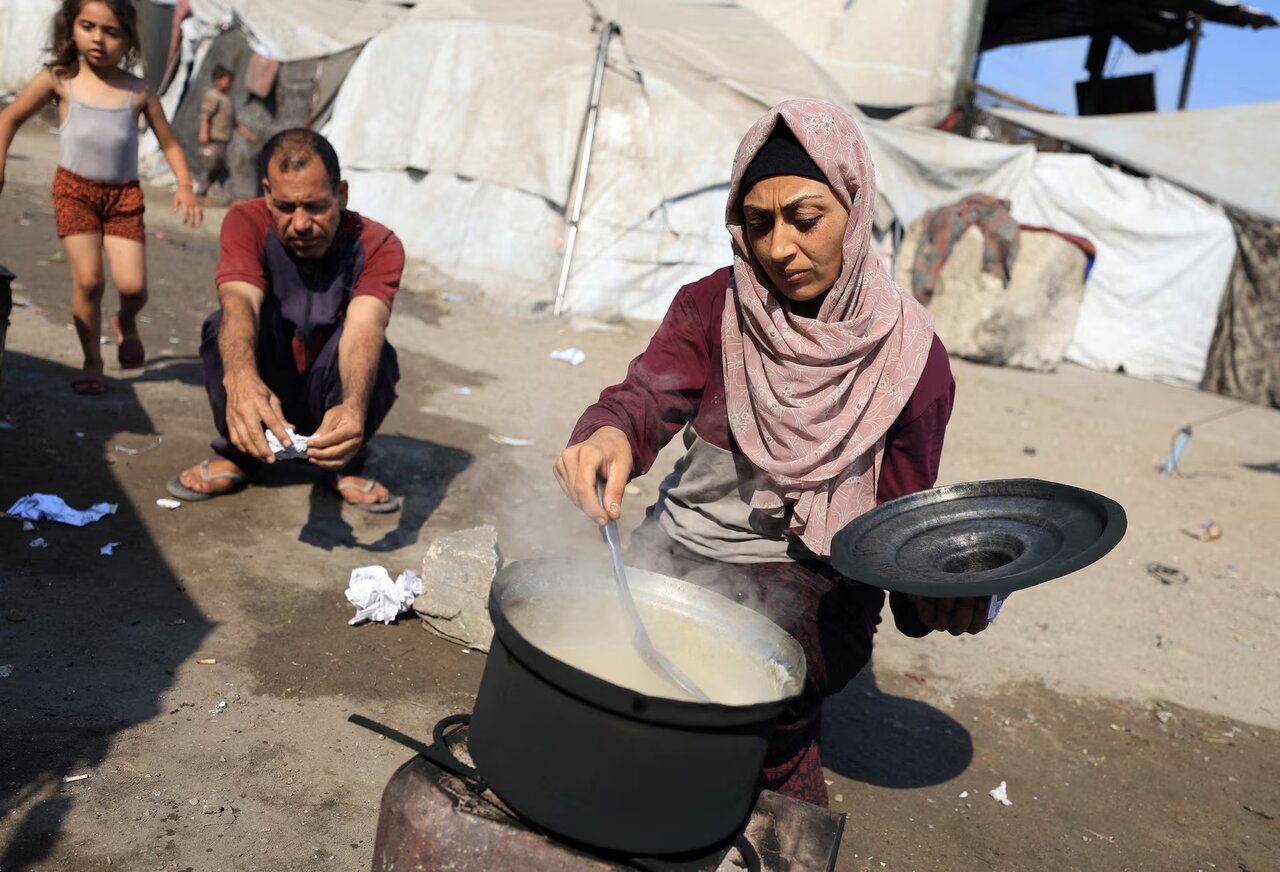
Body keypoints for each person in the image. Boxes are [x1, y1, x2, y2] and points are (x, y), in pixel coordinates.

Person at [553, 99, 990, 806]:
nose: (780, 248)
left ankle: (777, 788)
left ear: (854, 207)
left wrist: (947, 594)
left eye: (805, 219)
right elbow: (642, 400)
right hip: (679, 549)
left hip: (814, 583)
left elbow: (901, 525)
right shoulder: (712, 308)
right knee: (606, 664)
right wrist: (608, 434)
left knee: (750, 681)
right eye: (759, 224)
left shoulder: (913, 360)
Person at [166, 128, 403, 512]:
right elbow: (240, 299)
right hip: (269, 381)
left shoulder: (379, 244)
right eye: (286, 207)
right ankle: (240, 454)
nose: (301, 224)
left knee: (379, 354)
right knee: (223, 326)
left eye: (316, 207)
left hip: (330, 385)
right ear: (266, 193)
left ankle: (344, 460)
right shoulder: (245, 221)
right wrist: (241, 378)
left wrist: (352, 406)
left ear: (341, 194)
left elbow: (365, 325)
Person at [0, 0, 202, 394]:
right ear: (71, 27)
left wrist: (185, 186)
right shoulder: (60, 78)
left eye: (111, 31)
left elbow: (170, 143)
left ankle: (125, 321)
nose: (98, 38)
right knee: (89, 282)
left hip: (123, 198)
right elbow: (9, 118)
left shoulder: (138, 91)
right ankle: (92, 361)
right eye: (88, 26)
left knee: (133, 287)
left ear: (128, 40)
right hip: (75, 191)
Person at [195, 64, 256, 201]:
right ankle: (201, 193)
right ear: (218, 80)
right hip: (214, 139)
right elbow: (205, 116)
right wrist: (203, 133)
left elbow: (234, 123)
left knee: (223, 169)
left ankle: (229, 196)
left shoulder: (226, 99)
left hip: (224, 140)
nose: (230, 84)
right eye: (227, 80)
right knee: (211, 167)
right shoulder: (213, 96)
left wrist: (248, 135)